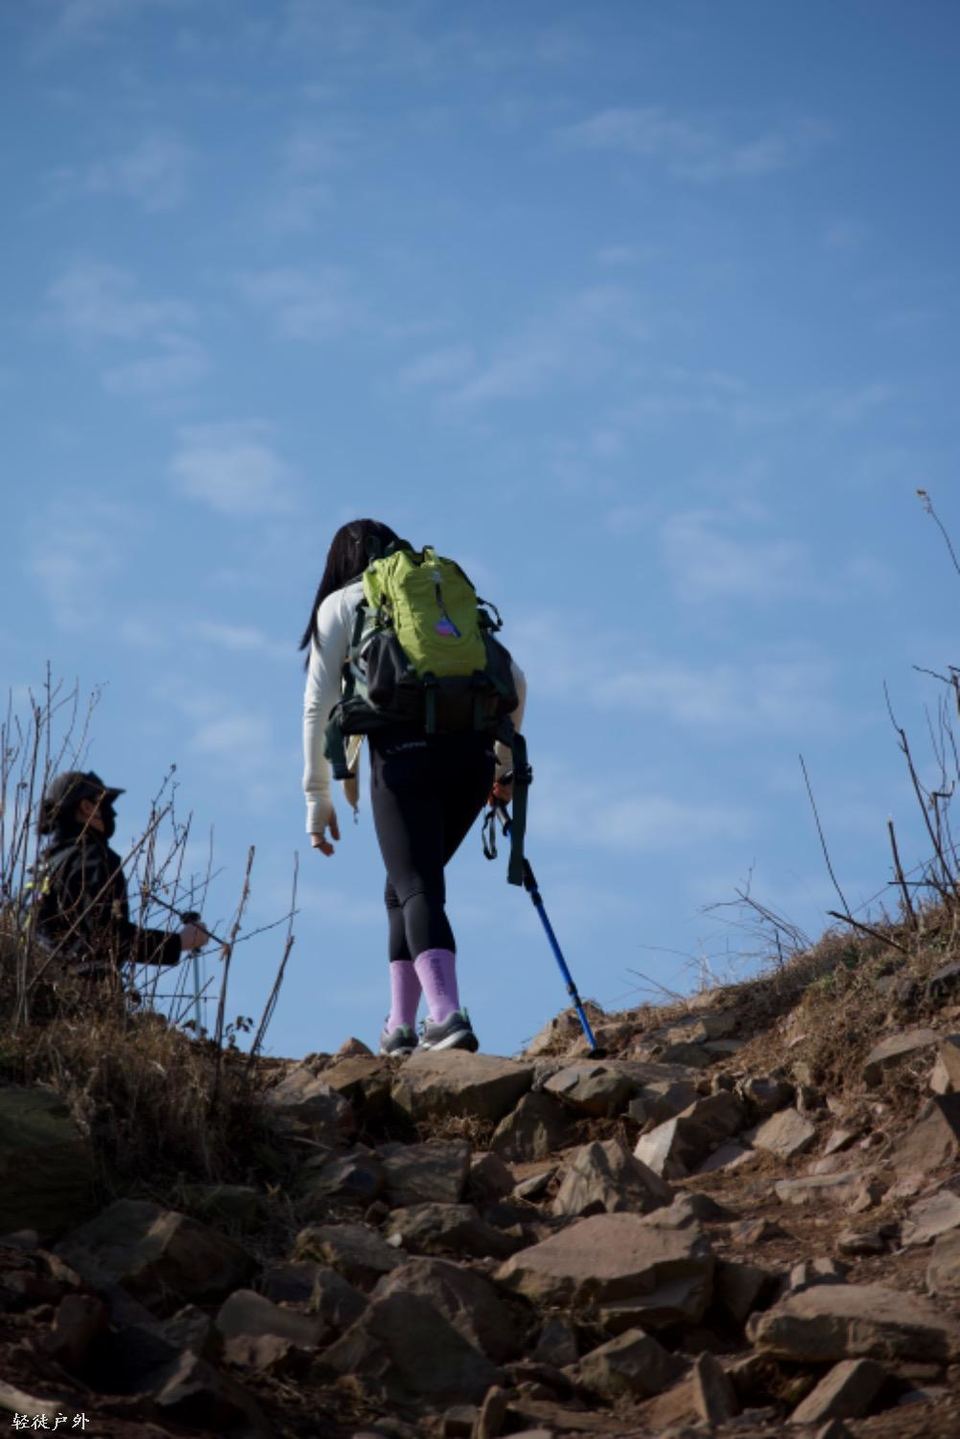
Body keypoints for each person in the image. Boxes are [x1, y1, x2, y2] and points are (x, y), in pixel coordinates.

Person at [301, 519, 526, 1056]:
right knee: (402, 886)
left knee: (417, 885)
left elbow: (317, 706)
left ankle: (445, 1015)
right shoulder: (439, 595)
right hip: (472, 760)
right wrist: (503, 771)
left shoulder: (342, 604)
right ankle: (401, 1025)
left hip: (403, 756)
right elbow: (515, 682)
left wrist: (318, 797)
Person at [32, 770, 208, 984]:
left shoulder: (42, 868)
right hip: (86, 990)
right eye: (105, 803)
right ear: (86, 807)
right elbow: (109, 936)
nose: (112, 813)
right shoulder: (91, 857)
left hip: (42, 988)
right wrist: (180, 942)